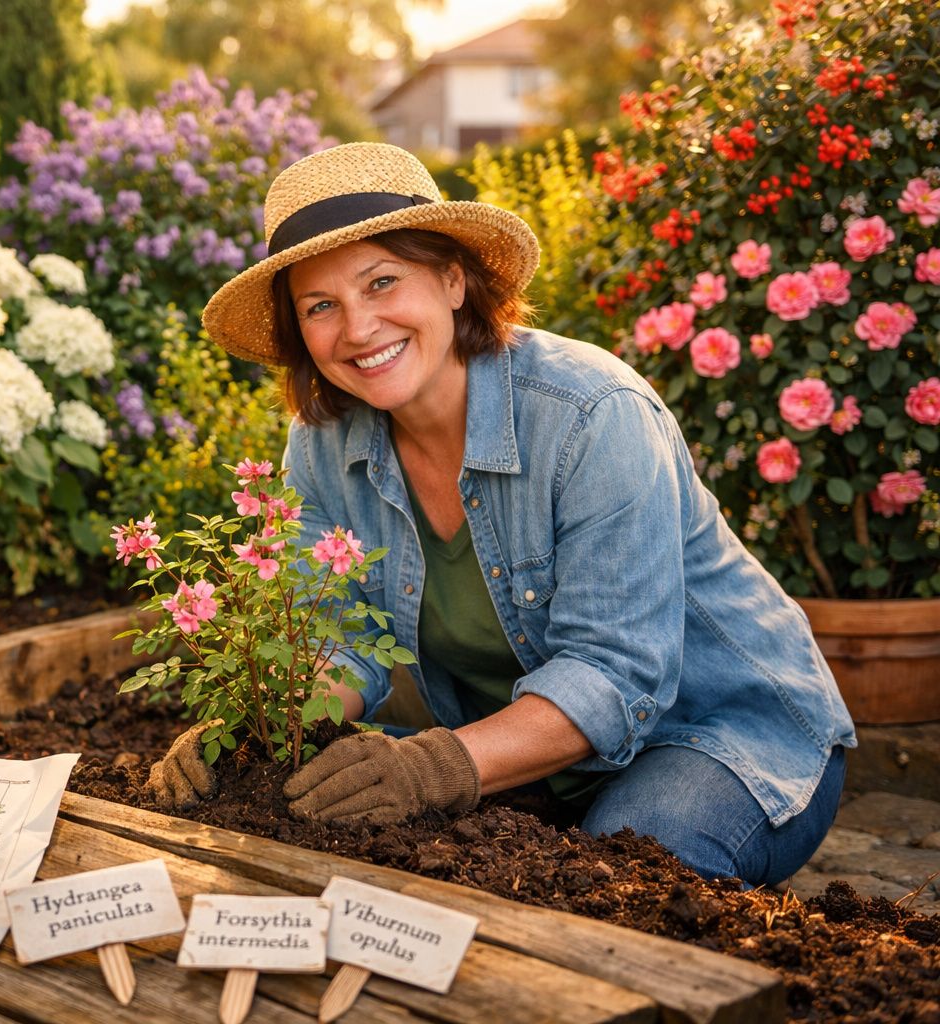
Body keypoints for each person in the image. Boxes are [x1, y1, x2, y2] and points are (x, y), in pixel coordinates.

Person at [146, 142, 856, 888]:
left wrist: (432, 767)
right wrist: (260, 730)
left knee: (612, 879)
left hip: (719, 736)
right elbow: (339, 639)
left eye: (382, 282)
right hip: (524, 754)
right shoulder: (323, 443)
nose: (356, 329)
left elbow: (616, 674)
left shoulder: (590, 415)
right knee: (336, 825)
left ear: (453, 279)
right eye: (320, 307)